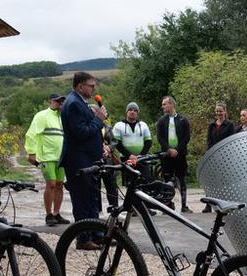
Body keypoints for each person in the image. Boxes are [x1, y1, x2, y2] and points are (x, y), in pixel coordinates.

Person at [59, 71, 109, 250]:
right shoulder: (73, 104)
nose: (94, 88)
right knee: (82, 199)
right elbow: (81, 133)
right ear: (80, 86)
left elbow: (90, 131)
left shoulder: (81, 102)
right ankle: (83, 238)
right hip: (78, 160)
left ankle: (96, 235)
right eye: (91, 85)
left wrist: (101, 144)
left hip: (90, 158)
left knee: (92, 198)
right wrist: (98, 119)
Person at [24, 93, 70, 226]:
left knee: (60, 185)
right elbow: (31, 133)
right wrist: (31, 153)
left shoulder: (64, 118)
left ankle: (57, 213)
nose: (59, 104)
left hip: (61, 157)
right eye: (57, 101)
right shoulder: (42, 115)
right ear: (50, 101)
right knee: (51, 184)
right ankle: (49, 214)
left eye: (62, 102)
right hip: (46, 157)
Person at [156, 95, 192, 212]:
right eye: (162, 105)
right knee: (167, 180)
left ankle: (184, 205)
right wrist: (169, 149)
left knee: (181, 179)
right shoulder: (161, 121)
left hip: (180, 154)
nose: (163, 107)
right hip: (166, 155)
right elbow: (160, 138)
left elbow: (187, 137)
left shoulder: (183, 120)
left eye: (164, 104)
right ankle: (168, 205)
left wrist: (177, 149)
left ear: (171, 104)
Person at [203, 103, 235, 212]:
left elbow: (230, 141)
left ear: (225, 112)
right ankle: (208, 205)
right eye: (217, 111)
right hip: (213, 156)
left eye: (220, 111)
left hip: (225, 157)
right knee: (211, 181)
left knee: (224, 182)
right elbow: (209, 141)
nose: (218, 113)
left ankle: (224, 204)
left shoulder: (229, 125)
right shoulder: (211, 125)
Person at [111, 102, 153, 178]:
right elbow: (117, 143)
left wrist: (141, 155)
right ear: (126, 112)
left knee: (145, 181)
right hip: (126, 159)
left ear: (137, 113)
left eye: (135, 110)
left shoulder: (143, 125)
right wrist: (130, 155)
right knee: (130, 184)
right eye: (130, 110)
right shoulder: (119, 125)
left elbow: (148, 142)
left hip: (142, 158)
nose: (132, 112)